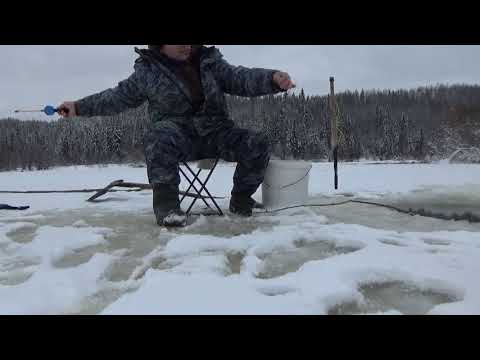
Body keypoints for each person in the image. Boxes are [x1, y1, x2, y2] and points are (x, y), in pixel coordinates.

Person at [58, 45, 295, 227]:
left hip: (216, 131)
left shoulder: (210, 62)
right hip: (179, 135)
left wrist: (272, 78)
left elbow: (240, 78)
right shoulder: (147, 72)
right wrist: (78, 107)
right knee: (158, 135)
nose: (187, 45)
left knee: (257, 142)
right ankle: (167, 207)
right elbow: (115, 98)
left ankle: (241, 200)